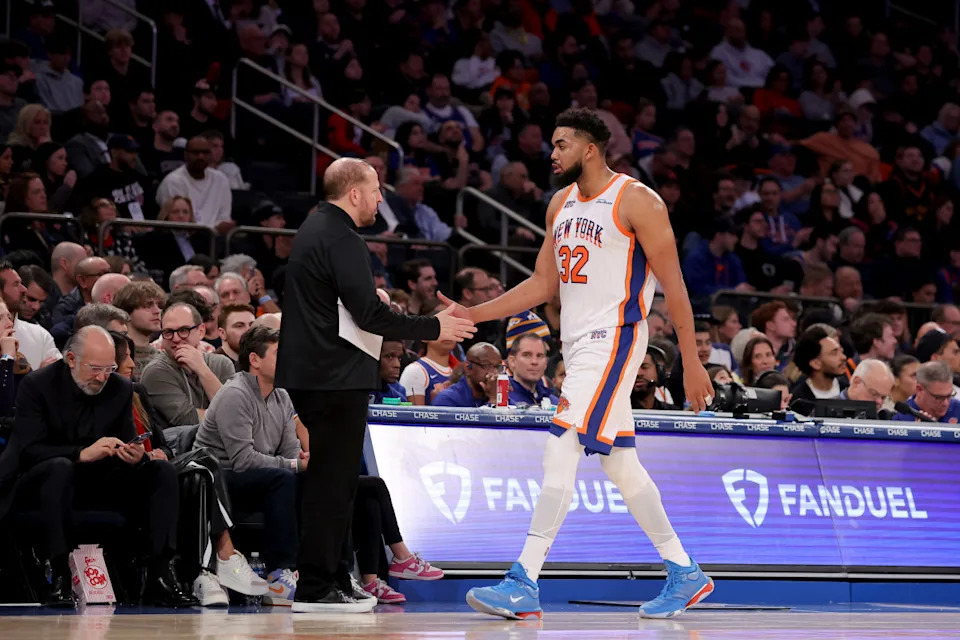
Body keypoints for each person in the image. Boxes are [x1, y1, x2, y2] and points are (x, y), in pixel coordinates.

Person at [458, 108, 715, 620]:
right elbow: (541, 286)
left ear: (590, 149)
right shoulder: (560, 203)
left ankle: (523, 580)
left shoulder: (637, 199)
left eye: (560, 145)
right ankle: (684, 571)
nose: (551, 154)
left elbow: (676, 287)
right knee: (621, 464)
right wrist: (472, 313)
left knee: (561, 447)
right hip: (576, 344)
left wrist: (691, 360)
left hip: (615, 339)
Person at [274, 158, 475, 613]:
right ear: (355, 193)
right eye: (377, 189)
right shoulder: (341, 235)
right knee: (333, 484)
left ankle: (327, 580)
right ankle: (319, 587)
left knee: (333, 482)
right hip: (333, 376)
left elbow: (345, 306)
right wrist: (433, 327)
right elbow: (369, 314)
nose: (382, 198)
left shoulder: (314, 229)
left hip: (318, 373)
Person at [0, 327, 198, 607]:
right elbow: (27, 449)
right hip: (44, 479)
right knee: (60, 468)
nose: (103, 377)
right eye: (95, 369)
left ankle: (160, 575)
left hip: (99, 480)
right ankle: (59, 576)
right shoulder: (37, 385)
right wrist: (80, 453)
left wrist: (135, 454)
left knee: (160, 471)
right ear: (71, 359)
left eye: (109, 368)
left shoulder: (120, 387)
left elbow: (126, 438)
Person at [193, 326, 305, 605]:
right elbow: (243, 460)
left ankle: (332, 572)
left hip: (259, 475)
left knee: (325, 482)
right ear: (255, 360)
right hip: (218, 479)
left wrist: (300, 462)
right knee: (283, 479)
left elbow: (290, 449)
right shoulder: (235, 393)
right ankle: (279, 576)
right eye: (280, 353)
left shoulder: (282, 395)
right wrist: (293, 464)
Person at [140, 302, 235, 426]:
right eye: (168, 332)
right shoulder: (155, 371)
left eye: (183, 330)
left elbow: (235, 412)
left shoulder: (222, 363)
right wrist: (229, 417)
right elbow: (188, 420)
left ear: (201, 331)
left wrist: (202, 369)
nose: (176, 338)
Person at [155, 136, 233, 233]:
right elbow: (179, 222)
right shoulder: (173, 181)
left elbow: (224, 219)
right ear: (185, 155)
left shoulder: (221, 180)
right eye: (196, 153)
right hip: (182, 239)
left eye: (205, 153)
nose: (201, 156)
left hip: (217, 240)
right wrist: (213, 229)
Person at [1, 261, 60, 371]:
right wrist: (37, 378)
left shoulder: (40, 335)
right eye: (16, 284)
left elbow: (59, 375)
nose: (24, 289)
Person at [399, 320, 458, 405]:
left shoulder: (460, 371)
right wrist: (438, 401)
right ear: (425, 336)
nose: (447, 335)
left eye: (452, 331)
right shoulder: (415, 371)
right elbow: (415, 416)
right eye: (442, 330)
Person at [433, 342, 502, 407]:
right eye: (486, 366)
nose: (494, 373)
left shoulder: (500, 393)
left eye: (498, 367)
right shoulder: (447, 399)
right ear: (468, 368)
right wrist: (494, 399)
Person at [790, 325, 847, 401]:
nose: (843, 357)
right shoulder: (799, 402)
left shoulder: (849, 392)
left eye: (841, 351)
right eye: (834, 353)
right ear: (815, 363)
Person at [894, 361, 960, 423]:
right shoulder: (902, 419)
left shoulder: (957, 408)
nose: (945, 403)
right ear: (919, 390)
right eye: (938, 397)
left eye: (949, 396)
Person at [507, 333, 557, 406]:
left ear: (545, 363)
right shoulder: (502, 400)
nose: (534, 362)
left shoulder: (555, 403)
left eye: (539, 356)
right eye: (527, 355)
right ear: (512, 361)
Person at [215, 303, 256, 370]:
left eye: (252, 325)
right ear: (222, 333)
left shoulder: (259, 362)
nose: (249, 330)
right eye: (239, 326)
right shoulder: (213, 365)